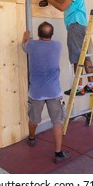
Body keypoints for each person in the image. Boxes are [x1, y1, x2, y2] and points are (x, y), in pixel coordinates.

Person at [36, 0, 93, 96]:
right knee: (84, 56)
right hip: (80, 25)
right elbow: (57, 0)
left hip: (75, 25)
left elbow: (62, 7)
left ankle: (78, 88)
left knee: (76, 57)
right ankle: (91, 85)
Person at [22, 21, 71, 164]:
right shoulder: (58, 45)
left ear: (38, 34)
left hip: (36, 92)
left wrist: (26, 37)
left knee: (34, 119)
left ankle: (31, 138)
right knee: (57, 122)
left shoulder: (31, 45)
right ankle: (58, 153)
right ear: (52, 34)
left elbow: (24, 46)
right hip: (54, 92)